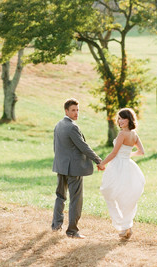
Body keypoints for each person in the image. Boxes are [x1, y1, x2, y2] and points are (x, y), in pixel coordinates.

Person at [52, 98, 103, 239]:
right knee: (76, 200)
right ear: (66, 111)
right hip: (73, 169)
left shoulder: (58, 125)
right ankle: (72, 231)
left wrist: (60, 162)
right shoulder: (72, 127)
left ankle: (56, 226)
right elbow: (83, 146)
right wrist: (98, 160)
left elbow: (55, 147)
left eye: (77, 110)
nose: (76, 113)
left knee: (60, 197)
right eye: (73, 110)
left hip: (60, 167)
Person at [98, 108, 146, 239]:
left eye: (123, 118)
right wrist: (128, 155)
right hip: (128, 166)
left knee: (111, 193)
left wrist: (102, 163)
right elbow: (141, 151)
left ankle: (124, 226)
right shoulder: (134, 134)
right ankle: (126, 226)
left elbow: (114, 153)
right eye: (118, 118)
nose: (120, 121)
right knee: (124, 196)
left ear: (129, 119)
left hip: (118, 166)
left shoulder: (122, 135)